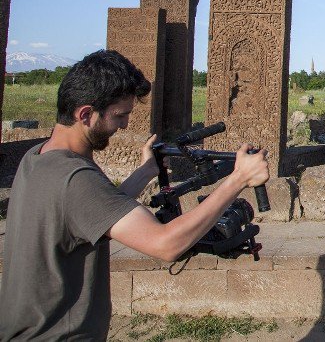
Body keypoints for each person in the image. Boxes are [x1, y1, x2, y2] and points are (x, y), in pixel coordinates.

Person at [0, 50, 270, 340]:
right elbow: (165, 244)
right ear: (86, 114)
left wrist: (144, 172)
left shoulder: (38, 157)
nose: (126, 125)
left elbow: (94, 212)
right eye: (120, 115)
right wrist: (237, 179)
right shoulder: (75, 179)